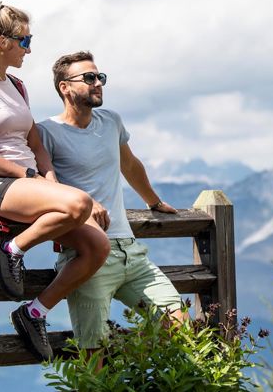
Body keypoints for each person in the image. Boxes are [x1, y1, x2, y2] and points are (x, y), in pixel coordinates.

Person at [0, 0, 110, 361]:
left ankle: (33, 312)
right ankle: (10, 250)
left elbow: (35, 143)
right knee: (80, 203)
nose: (28, 48)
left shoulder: (17, 86)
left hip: (29, 183)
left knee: (97, 246)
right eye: (24, 40)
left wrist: (49, 181)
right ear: (2, 42)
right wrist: (31, 177)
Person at [37, 51, 186, 356]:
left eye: (100, 77)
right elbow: (43, 188)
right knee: (94, 355)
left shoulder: (111, 121)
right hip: (86, 256)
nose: (98, 83)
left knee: (180, 324)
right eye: (89, 78)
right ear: (65, 87)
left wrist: (154, 201)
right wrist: (85, 202)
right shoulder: (45, 132)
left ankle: (124, 363)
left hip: (131, 252)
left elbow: (129, 165)